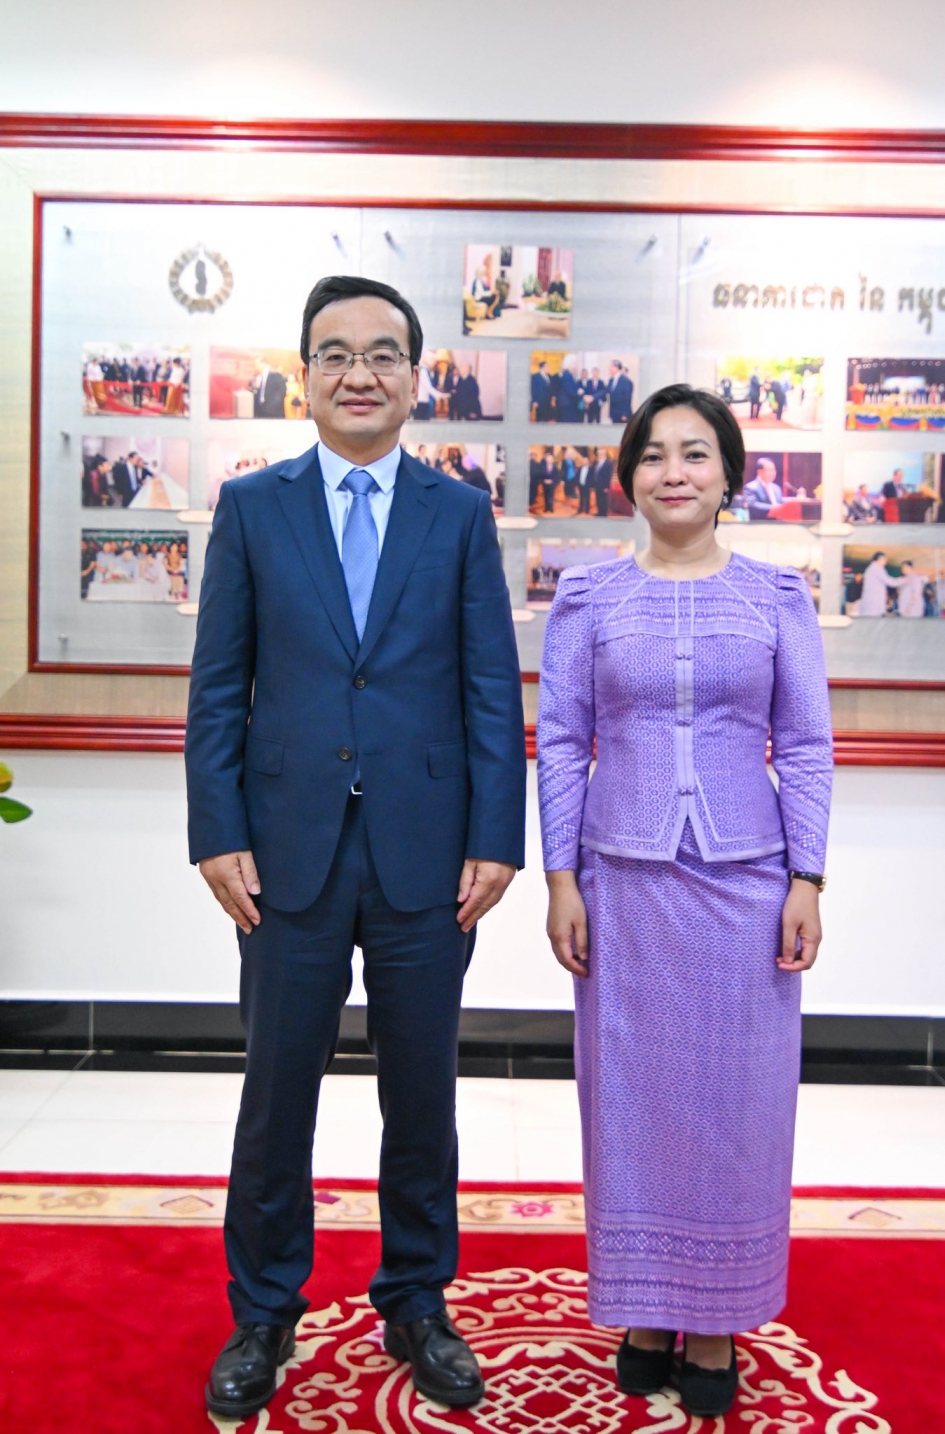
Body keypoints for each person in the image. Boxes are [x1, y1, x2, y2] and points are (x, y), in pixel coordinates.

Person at [186, 274, 526, 1424]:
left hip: (428, 851)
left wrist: (496, 835)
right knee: (276, 1091)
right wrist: (217, 831)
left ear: (416, 378)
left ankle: (418, 1301)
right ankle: (263, 1308)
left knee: (420, 1093)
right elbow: (218, 688)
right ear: (305, 377)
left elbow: (490, 688)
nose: (359, 373)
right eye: (335, 354)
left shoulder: (458, 514)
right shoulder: (253, 508)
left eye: (383, 354)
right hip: (285, 852)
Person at [537, 383, 832, 1420]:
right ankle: (647, 1309)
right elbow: (560, 741)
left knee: (738, 1106)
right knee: (631, 1102)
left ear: (728, 475)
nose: (674, 472)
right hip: (621, 883)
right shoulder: (587, 599)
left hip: (747, 884)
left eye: (695, 453)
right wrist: (561, 878)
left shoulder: (777, 596)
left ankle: (717, 1318)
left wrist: (807, 878)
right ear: (628, 477)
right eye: (655, 454)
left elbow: (805, 745)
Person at [859, 551, 905, 616]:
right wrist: (903, 580)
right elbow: (890, 581)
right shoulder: (877, 569)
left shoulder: (872, 568)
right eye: (885, 560)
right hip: (873, 605)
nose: (886, 562)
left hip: (871, 604)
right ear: (880, 559)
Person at [593, 448, 615, 516]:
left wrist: (606, 487)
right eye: (598, 454)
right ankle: (599, 512)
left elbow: (608, 476)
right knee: (598, 499)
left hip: (603, 486)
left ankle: (604, 514)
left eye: (600, 454)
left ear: (603, 454)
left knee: (603, 500)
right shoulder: (597, 462)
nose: (598, 455)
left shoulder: (608, 463)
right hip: (597, 484)